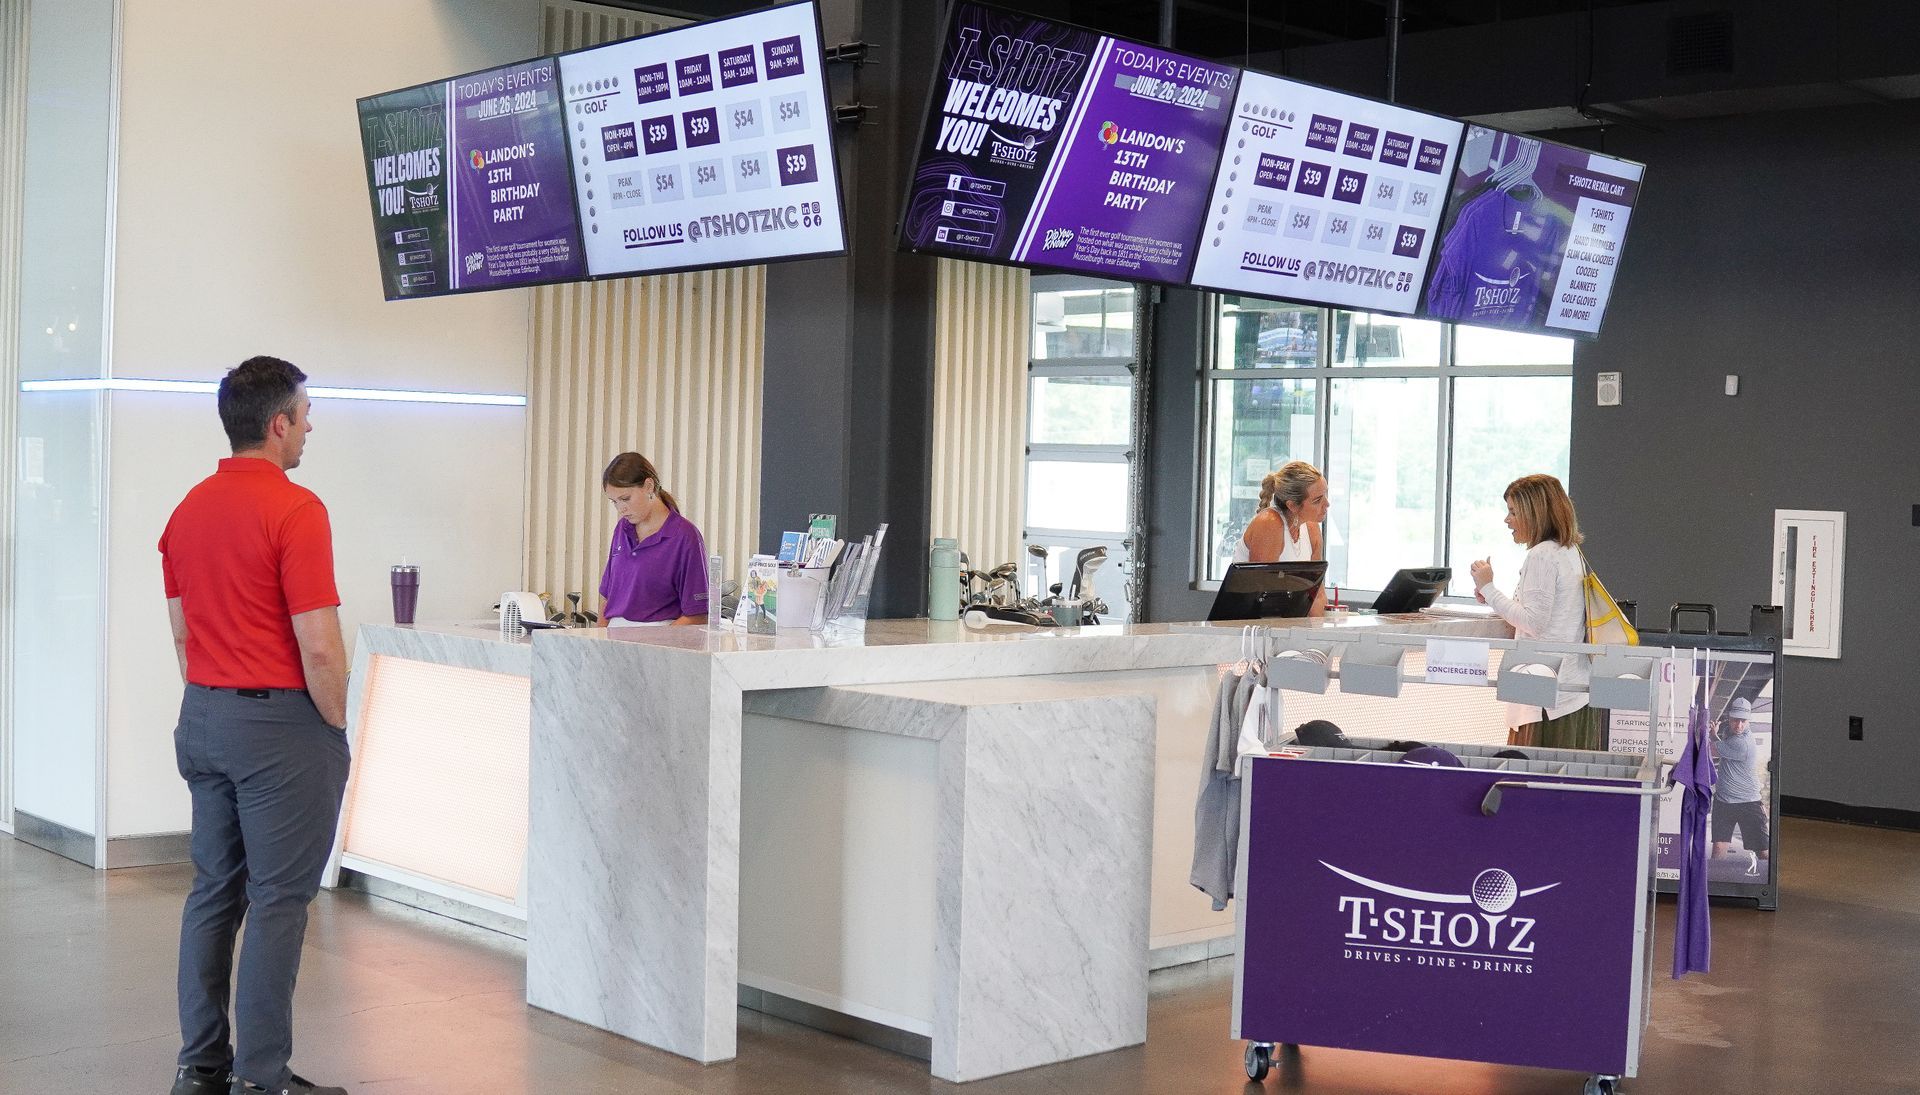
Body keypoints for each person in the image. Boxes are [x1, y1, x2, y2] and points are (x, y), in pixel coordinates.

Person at [159, 357, 351, 1095]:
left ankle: (201, 1066)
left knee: (213, 891)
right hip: (280, 728)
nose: (310, 427)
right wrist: (333, 724)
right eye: (305, 414)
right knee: (278, 901)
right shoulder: (296, 510)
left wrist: (218, 699)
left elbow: (181, 635)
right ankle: (261, 1077)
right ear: (278, 425)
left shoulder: (187, 509)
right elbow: (321, 642)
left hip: (205, 712)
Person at [1469, 473, 1601, 750]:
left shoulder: (1541, 555)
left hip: (1543, 694)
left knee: (1530, 776)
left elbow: (1533, 622)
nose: (1508, 521)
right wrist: (1491, 595)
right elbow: (1545, 613)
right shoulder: (1569, 551)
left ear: (1535, 513)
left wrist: (1489, 587)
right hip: (1568, 689)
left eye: (1514, 512)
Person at [600, 452, 709, 625]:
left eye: (625, 499)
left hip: (658, 640)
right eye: (614, 502)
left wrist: (658, 646)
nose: (621, 509)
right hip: (614, 640)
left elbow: (697, 615)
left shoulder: (685, 536)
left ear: (649, 486)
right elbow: (608, 598)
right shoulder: (622, 529)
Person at [1234, 460, 1329, 614]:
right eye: (1317, 500)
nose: (1327, 504)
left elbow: (1317, 595)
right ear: (1292, 505)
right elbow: (1263, 595)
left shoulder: (1312, 528)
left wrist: (1317, 634)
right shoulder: (1269, 523)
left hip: (1283, 625)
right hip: (1247, 629)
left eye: (1325, 494)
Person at [1710, 696, 1770, 870]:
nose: (1739, 726)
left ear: (1748, 721)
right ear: (1729, 718)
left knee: (1763, 852)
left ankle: (1770, 880)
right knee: (1719, 847)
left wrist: (1711, 735)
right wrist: (1715, 735)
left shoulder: (1742, 743)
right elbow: (1721, 745)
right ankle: (1714, 883)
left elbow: (1712, 749)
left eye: (1743, 721)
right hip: (1724, 802)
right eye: (1735, 720)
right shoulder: (1730, 733)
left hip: (1748, 803)